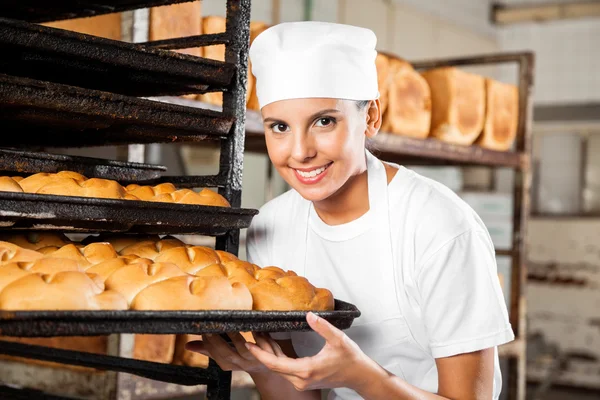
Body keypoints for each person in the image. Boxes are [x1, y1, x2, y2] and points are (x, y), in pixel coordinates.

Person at [186, 21, 514, 400]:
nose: (299, 151)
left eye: (324, 121)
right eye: (279, 127)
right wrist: (265, 364)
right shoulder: (272, 227)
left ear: (371, 117)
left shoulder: (438, 225)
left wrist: (364, 377)